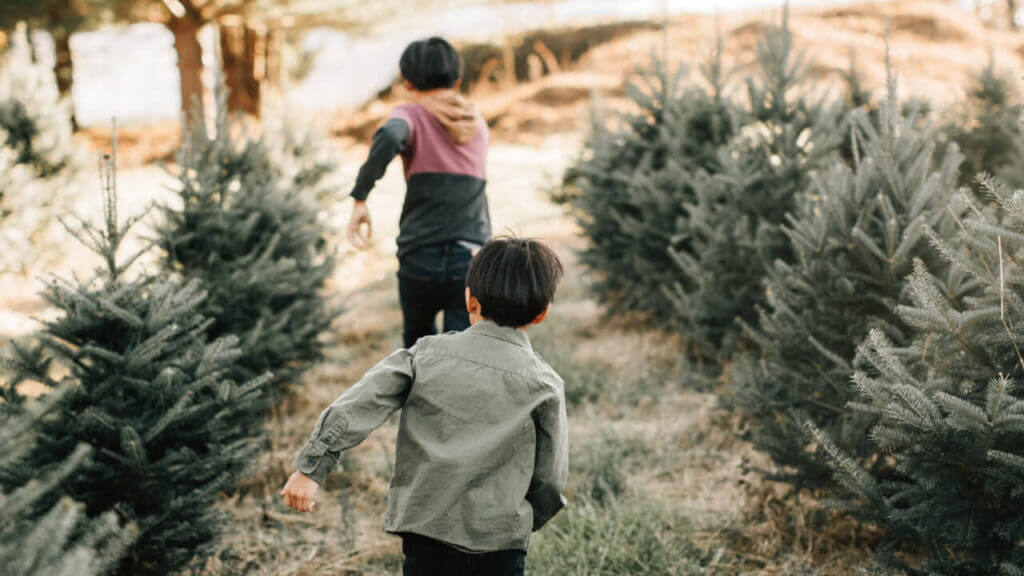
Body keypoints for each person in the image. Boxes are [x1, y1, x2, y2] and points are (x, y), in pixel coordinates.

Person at [281, 237, 568, 576]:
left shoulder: (424, 356)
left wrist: (310, 468)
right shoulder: (546, 386)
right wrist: (526, 518)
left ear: (470, 300)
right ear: (542, 313)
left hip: (426, 534)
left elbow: (360, 403)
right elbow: (550, 478)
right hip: (499, 544)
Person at [347, 36, 491, 348]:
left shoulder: (410, 115)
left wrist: (361, 196)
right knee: (461, 354)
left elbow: (389, 134)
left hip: (419, 256)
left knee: (417, 349)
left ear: (407, 82)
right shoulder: (477, 124)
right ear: (458, 79)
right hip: (469, 258)